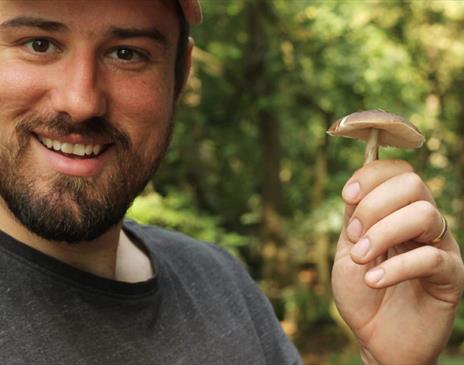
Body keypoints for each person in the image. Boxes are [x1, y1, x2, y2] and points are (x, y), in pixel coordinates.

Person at [0, 0, 461, 364]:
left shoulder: (220, 283)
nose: (82, 101)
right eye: (39, 43)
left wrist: (393, 362)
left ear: (181, 74)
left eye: (127, 53)